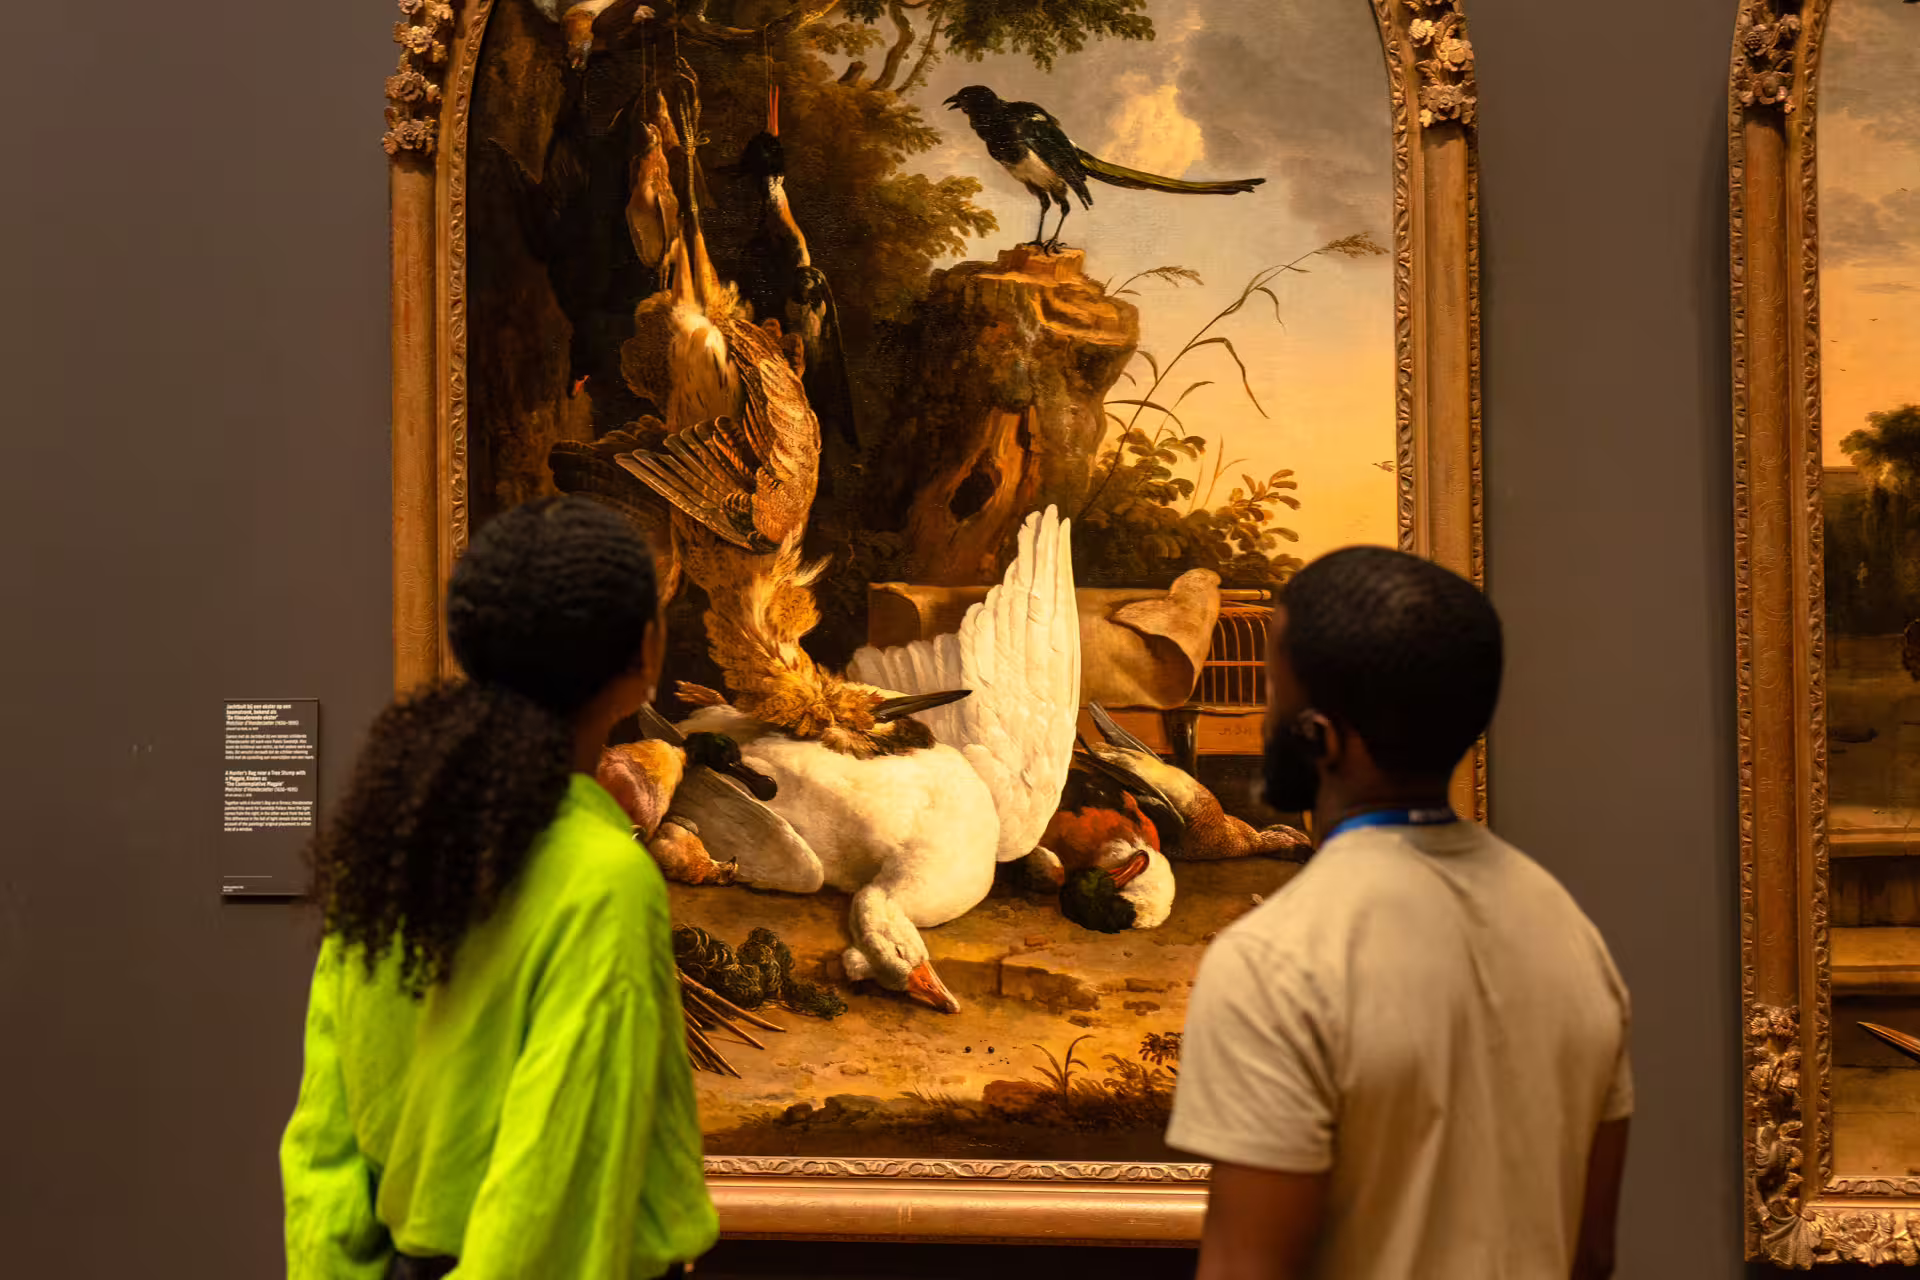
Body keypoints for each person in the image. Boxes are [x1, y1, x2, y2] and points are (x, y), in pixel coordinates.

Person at [280, 497, 717, 1280]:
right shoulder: (605, 879)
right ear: (645, 653)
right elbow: (547, 1192)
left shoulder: (395, 840)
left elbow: (322, 1145)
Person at [1167, 547, 1632, 1280]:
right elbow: (1592, 1256)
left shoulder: (1277, 961)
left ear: (1320, 736)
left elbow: (1246, 1267)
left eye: (1275, 696)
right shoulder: (1568, 931)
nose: (1264, 720)